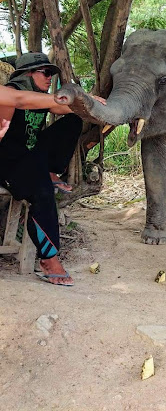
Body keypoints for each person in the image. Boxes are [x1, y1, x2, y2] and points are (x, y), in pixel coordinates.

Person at [0, 52, 103, 287]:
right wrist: (66, 98)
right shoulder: (8, 93)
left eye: (51, 74)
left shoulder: (40, 98)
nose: (49, 79)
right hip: (8, 164)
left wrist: (89, 102)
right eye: (45, 73)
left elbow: (61, 110)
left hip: (32, 160)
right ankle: (49, 259)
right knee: (43, 192)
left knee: (73, 121)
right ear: (27, 74)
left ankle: (50, 170)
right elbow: (20, 101)